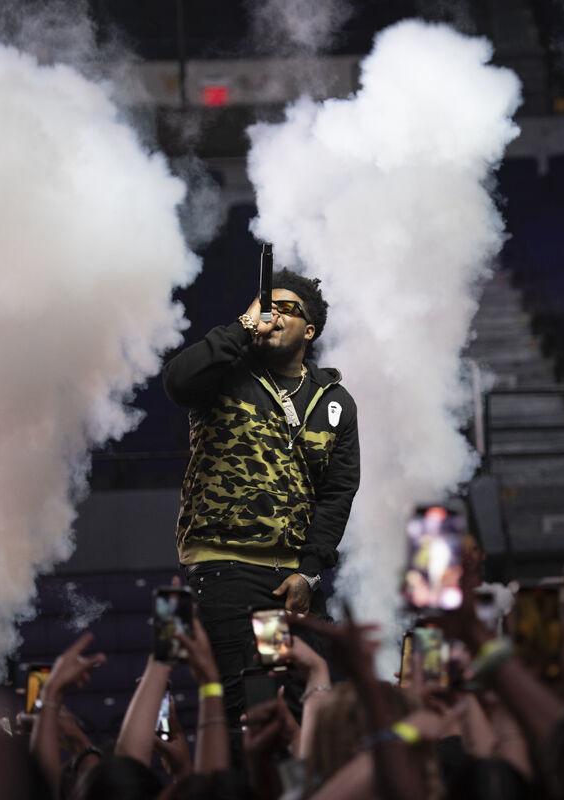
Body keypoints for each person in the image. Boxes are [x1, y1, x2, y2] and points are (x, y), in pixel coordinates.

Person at [162, 269, 360, 737]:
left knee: (293, 704)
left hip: (289, 581)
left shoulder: (334, 401)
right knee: (246, 709)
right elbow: (177, 381)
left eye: (287, 309)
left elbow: (337, 494)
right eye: (266, 305)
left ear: (309, 331)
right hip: (227, 567)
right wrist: (244, 326)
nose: (274, 315)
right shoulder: (225, 371)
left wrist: (309, 571)